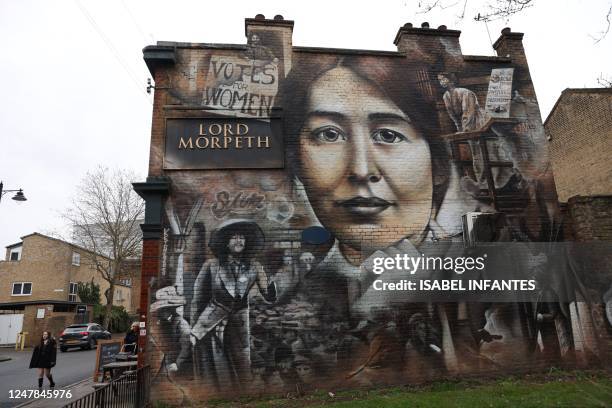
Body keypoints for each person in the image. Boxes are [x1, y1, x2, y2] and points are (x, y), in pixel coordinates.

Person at [190, 220, 276, 391]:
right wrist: (195, 328)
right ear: (226, 242)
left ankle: (242, 394)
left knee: (243, 362)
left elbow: (268, 295)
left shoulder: (254, 267)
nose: (239, 241)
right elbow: (198, 299)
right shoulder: (212, 266)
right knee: (217, 364)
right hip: (212, 322)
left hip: (239, 322)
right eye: (234, 237)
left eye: (242, 238)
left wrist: (272, 285)